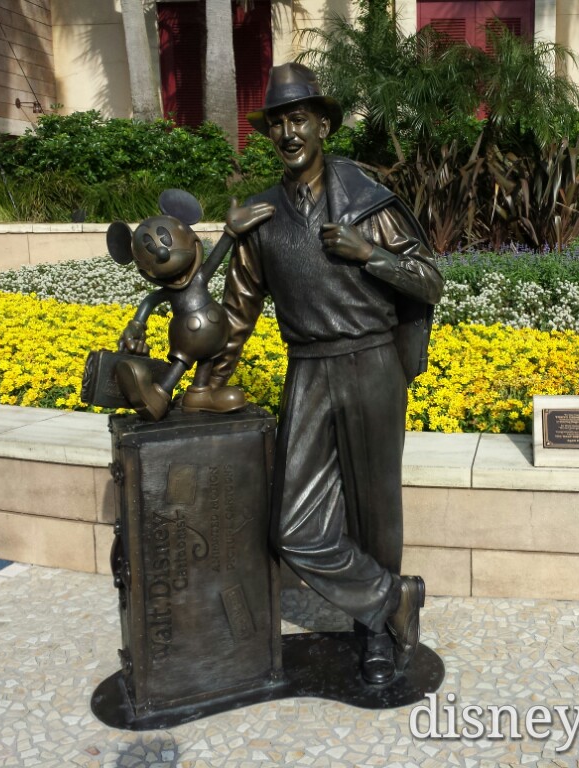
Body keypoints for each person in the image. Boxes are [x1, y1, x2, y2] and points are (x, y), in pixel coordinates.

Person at [199, 63, 443, 686]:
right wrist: (198, 383)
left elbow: (430, 282)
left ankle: (375, 635)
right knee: (292, 528)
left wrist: (372, 254)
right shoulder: (258, 217)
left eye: (299, 118)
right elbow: (235, 313)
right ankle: (392, 598)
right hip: (307, 368)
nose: (288, 132)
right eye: (277, 122)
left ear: (324, 125)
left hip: (371, 365)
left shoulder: (367, 201)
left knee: (374, 510)